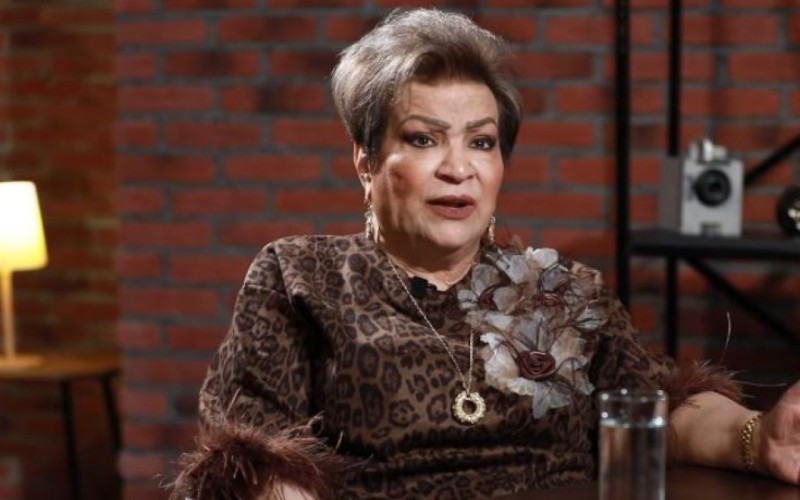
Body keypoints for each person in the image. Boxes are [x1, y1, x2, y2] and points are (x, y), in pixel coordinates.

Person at [169, 7, 800, 500]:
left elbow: (655, 405)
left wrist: (758, 436)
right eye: (424, 139)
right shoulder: (302, 276)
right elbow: (255, 457)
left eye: (481, 142)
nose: (458, 168)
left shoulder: (559, 290)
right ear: (365, 160)